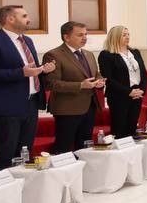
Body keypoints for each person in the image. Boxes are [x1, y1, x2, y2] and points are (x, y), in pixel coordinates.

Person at [0, 5, 54, 169]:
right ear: (10, 19)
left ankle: (23, 183)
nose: (29, 20)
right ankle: (0, 183)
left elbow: (29, 70)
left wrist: (42, 70)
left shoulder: (27, 40)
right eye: (24, 16)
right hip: (6, 106)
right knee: (7, 152)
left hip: (30, 103)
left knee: (25, 152)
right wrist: (20, 73)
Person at [43, 21, 105, 154]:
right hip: (67, 109)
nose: (85, 38)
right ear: (66, 37)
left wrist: (100, 81)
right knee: (64, 147)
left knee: (85, 147)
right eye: (80, 35)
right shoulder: (54, 55)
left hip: (89, 106)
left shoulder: (88, 54)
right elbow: (51, 83)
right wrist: (81, 85)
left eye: (86, 34)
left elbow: (96, 74)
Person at [97, 25, 147, 138]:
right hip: (119, 96)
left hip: (137, 95)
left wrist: (142, 90)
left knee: (132, 127)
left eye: (128, 34)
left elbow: (144, 73)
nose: (127, 37)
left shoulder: (135, 52)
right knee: (120, 129)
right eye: (124, 35)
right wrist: (128, 92)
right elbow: (108, 79)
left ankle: (132, 148)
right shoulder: (106, 55)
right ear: (115, 36)